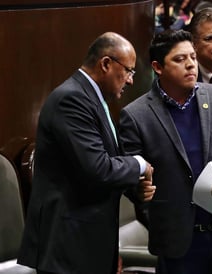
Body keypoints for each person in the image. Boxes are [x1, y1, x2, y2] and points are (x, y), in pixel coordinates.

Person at [118, 29, 212, 274]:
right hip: (176, 243)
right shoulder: (136, 115)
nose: (191, 64)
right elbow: (133, 181)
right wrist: (144, 198)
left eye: (192, 57)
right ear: (158, 67)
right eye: (180, 59)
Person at [17, 32, 155, 274]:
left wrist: (135, 188)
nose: (131, 80)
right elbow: (98, 169)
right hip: (67, 250)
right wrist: (139, 165)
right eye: (129, 71)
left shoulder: (93, 99)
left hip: (88, 245)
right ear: (105, 64)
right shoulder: (71, 100)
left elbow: (105, 163)